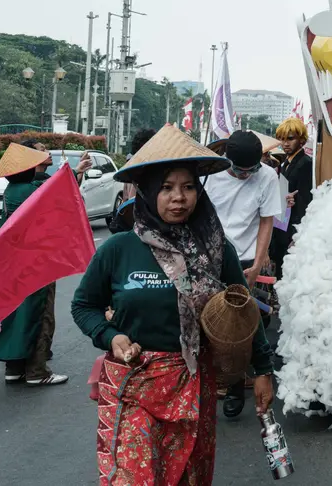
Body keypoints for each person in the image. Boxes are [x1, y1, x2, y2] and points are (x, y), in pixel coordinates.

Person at [71, 126, 275, 484]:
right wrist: (110, 336)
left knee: (186, 476)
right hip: (132, 385)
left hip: (194, 383)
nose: (178, 198)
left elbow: (243, 311)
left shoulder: (217, 251)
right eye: (166, 188)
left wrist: (262, 369)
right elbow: (84, 305)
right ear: (149, 192)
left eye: (188, 187)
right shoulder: (119, 249)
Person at [0, 142, 84, 385]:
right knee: (39, 314)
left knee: (15, 316)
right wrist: (74, 172)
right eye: (38, 153)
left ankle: (14, 368)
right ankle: (38, 372)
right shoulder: (33, 189)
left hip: (12, 263)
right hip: (35, 263)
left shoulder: (12, 190)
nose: (44, 154)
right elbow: (60, 191)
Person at [204, 129, 284, 417]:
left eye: (252, 170)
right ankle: (209, 382)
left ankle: (236, 386)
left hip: (247, 257)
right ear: (228, 161)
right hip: (212, 256)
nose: (246, 175)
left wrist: (258, 263)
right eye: (240, 170)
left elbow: (266, 221)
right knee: (208, 323)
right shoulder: (210, 175)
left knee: (241, 326)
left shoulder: (267, 176)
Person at [273, 117, 314, 280]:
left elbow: (305, 203)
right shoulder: (285, 164)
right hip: (281, 224)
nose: (285, 143)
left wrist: (297, 235)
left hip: (292, 229)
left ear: (302, 140)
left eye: (290, 139)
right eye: (282, 139)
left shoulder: (305, 163)